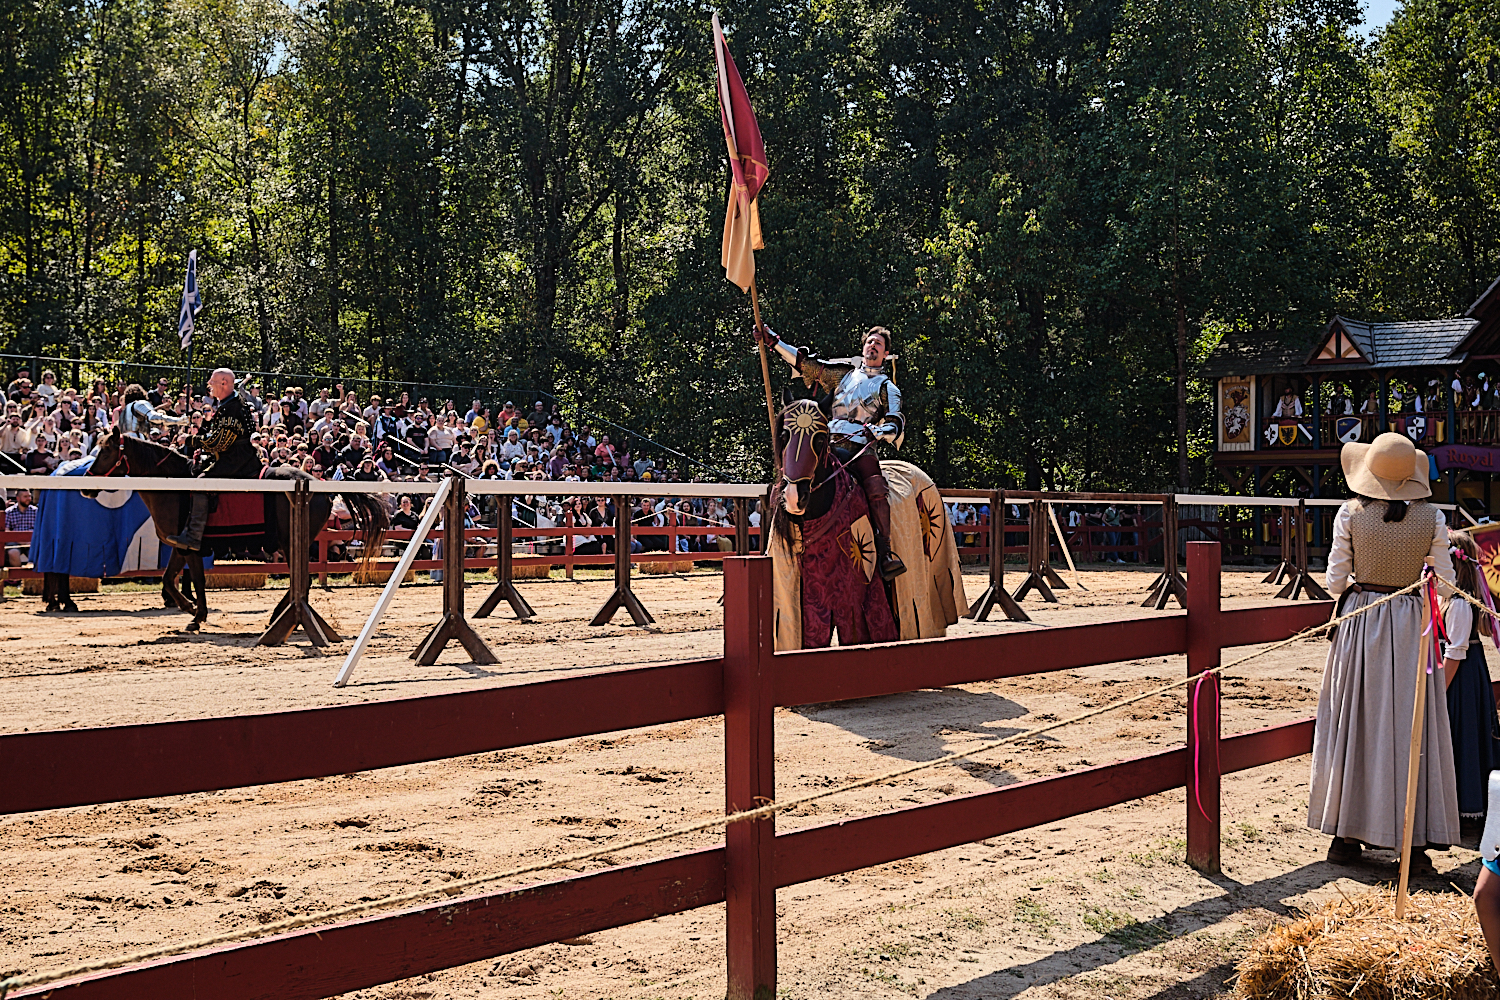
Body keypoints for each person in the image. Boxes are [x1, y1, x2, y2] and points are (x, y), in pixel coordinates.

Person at [1310, 432, 1459, 868]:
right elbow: (1446, 582)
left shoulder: (1350, 514)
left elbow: (1334, 580)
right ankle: (1412, 839)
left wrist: (1358, 589)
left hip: (1361, 621)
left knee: (1356, 721)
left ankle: (1345, 836)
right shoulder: (1431, 518)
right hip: (1411, 623)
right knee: (1409, 724)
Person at [757, 323, 907, 579]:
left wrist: (878, 432)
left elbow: (896, 422)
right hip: (828, 442)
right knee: (794, 474)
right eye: (870, 341)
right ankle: (774, 546)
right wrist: (774, 343)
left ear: (885, 353)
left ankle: (885, 552)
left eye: (878, 344)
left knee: (875, 487)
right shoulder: (844, 375)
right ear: (863, 346)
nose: (873, 346)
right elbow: (807, 365)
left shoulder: (887, 387)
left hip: (861, 446)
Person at [1439, 529, 1500, 831]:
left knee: (1464, 737)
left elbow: (1455, 653)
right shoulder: (1451, 601)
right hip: (1458, 678)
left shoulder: (1460, 605)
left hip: (1460, 682)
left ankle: (1468, 809)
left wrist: (1438, 690)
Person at [166, 368, 259, 551]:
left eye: (212, 381)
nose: (209, 384)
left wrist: (190, 440)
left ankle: (193, 537)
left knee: (201, 484)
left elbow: (220, 443)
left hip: (236, 459)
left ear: (224, 383)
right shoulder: (232, 402)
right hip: (236, 454)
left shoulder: (231, 408)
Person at [118, 383, 188, 438]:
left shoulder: (125, 410)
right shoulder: (139, 404)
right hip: (136, 443)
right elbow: (153, 417)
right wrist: (177, 421)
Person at [5, 488, 36, 568]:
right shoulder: (9, 512)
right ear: (18, 498)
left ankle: (34, 576)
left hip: (32, 542)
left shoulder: (36, 511)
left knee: (38, 553)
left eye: (29, 496)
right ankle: (17, 578)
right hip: (14, 542)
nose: (29, 499)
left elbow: (40, 530)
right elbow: (7, 530)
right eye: (25, 496)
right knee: (13, 553)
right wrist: (19, 540)